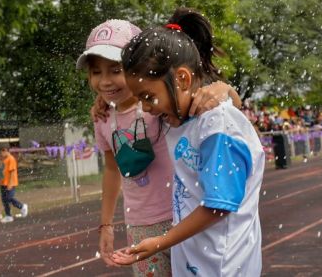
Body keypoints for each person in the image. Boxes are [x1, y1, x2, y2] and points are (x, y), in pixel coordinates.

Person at [77, 17, 241, 276]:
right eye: (96, 72)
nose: (105, 81)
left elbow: (213, 105)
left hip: (184, 216)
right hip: (140, 225)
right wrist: (106, 224)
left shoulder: (158, 106)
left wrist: (225, 89)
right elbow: (112, 170)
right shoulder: (102, 119)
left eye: (115, 70)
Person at [113, 22, 265, 276]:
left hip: (225, 265)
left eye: (148, 97)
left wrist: (161, 242)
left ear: (182, 78)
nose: (146, 108)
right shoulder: (178, 117)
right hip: (197, 260)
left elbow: (220, 205)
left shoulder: (218, 125)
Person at [0, 144, 28, 223]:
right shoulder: (3, 159)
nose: (0, 154)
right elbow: (2, 171)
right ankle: (8, 215)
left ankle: (22, 206)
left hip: (10, 183)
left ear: (5, 150)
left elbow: (12, 172)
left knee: (9, 198)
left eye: (1, 152)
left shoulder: (11, 159)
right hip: (3, 183)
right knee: (4, 200)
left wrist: (10, 184)